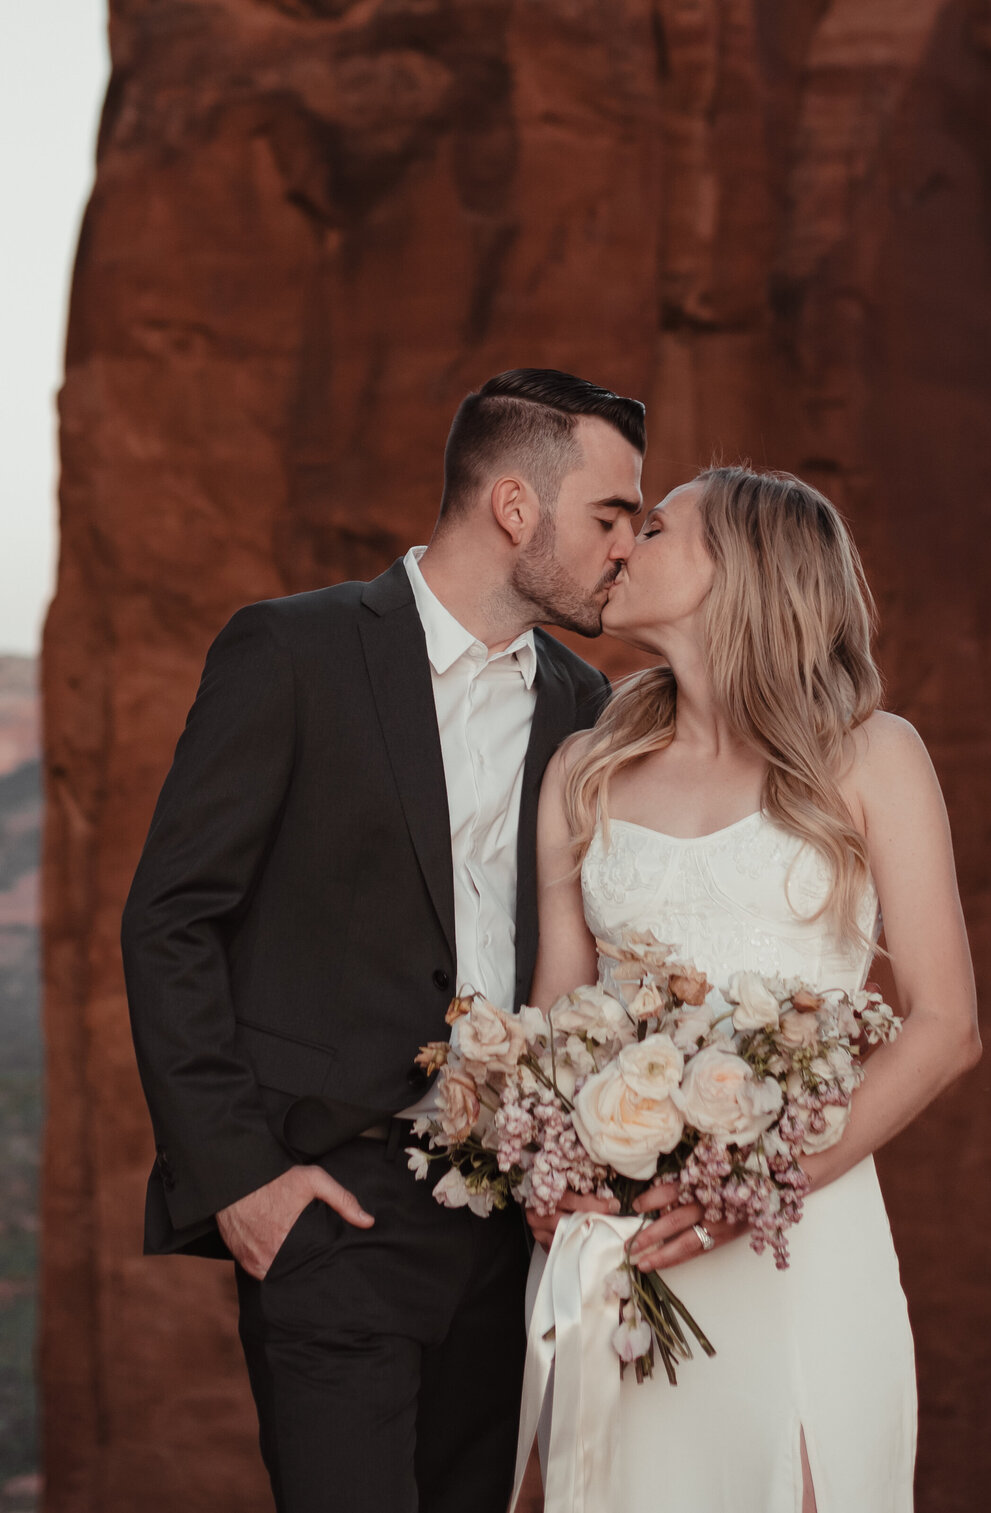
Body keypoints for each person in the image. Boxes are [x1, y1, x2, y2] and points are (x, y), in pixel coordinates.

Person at [121, 368, 645, 1513]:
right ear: (516, 506)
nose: (629, 547)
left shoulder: (588, 705)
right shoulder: (292, 652)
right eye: (611, 516)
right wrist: (243, 1181)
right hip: (335, 1211)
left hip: (521, 1232)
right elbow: (171, 919)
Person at [528, 465, 981, 1512]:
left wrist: (764, 1179)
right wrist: (548, 1179)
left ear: (736, 569)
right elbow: (559, 1005)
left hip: (803, 1241)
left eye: (654, 529)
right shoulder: (581, 772)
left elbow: (948, 1025)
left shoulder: (872, 756)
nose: (622, 547)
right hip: (627, 1240)